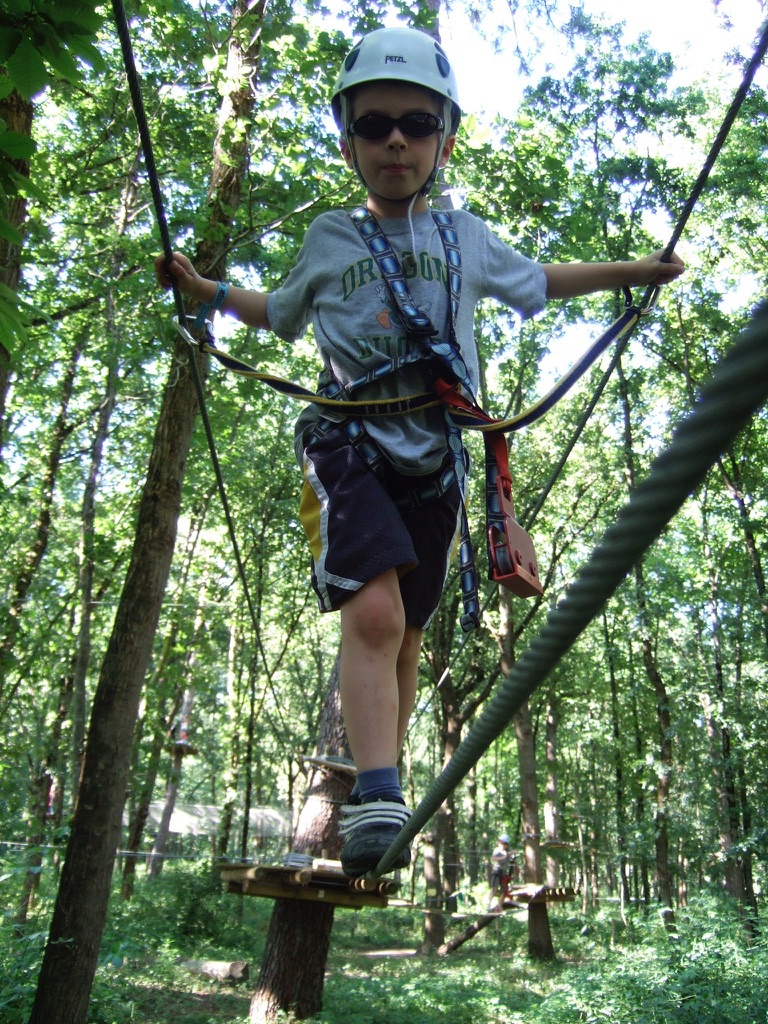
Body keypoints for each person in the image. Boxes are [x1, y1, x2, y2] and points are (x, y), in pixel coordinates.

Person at [155, 26, 684, 878]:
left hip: (436, 458)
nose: (395, 140)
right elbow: (279, 311)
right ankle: (377, 791)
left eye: (415, 123)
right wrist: (205, 293)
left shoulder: (463, 238)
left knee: (404, 636)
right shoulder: (330, 238)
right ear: (348, 141)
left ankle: (383, 791)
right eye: (373, 125)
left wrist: (633, 272)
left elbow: (538, 281)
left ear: (445, 138)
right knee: (374, 616)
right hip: (347, 443)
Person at [489, 833, 512, 910]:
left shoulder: (507, 851)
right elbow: (493, 858)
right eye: (503, 843)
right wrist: (504, 856)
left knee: (504, 890)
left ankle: (499, 906)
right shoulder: (497, 850)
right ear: (499, 842)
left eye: (506, 844)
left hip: (504, 872)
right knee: (494, 888)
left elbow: (512, 856)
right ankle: (489, 904)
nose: (504, 845)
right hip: (497, 870)